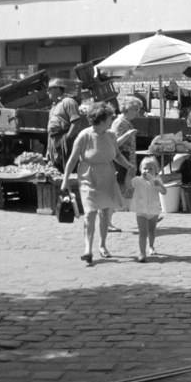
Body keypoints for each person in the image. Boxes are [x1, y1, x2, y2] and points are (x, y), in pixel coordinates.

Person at [63, 104, 130, 264]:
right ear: (101, 120)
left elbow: (118, 155)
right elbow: (72, 160)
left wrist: (129, 166)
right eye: (109, 118)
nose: (111, 121)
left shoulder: (111, 135)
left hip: (107, 174)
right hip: (88, 175)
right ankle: (87, 249)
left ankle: (102, 245)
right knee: (90, 212)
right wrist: (65, 180)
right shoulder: (84, 136)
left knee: (105, 212)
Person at [130, 156, 168, 261]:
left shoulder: (157, 180)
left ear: (155, 170)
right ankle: (142, 253)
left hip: (153, 209)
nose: (147, 171)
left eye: (150, 169)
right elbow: (129, 185)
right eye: (145, 168)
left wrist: (159, 184)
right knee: (143, 232)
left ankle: (151, 246)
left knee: (152, 229)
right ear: (140, 169)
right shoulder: (137, 180)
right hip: (141, 210)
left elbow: (164, 192)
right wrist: (128, 174)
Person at [111, 95, 142, 199]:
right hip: (123, 162)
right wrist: (127, 134)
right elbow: (115, 144)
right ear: (128, 109)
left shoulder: (126, 122)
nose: (137, 112)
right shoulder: (119, 123)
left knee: (128, 188)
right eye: (136, 109)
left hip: (128, 161)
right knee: (123, 188)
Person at [46, 81, 81, 167]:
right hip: (54, 140)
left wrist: (67, 139)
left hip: (64, 138)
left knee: (67, 165)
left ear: (57, 90)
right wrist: (48, 149)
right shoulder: (54, 106)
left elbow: (76, 123)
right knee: (56, 166)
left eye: (50, 89)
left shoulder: (68, 102)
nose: (47, 92)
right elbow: (50, 130)